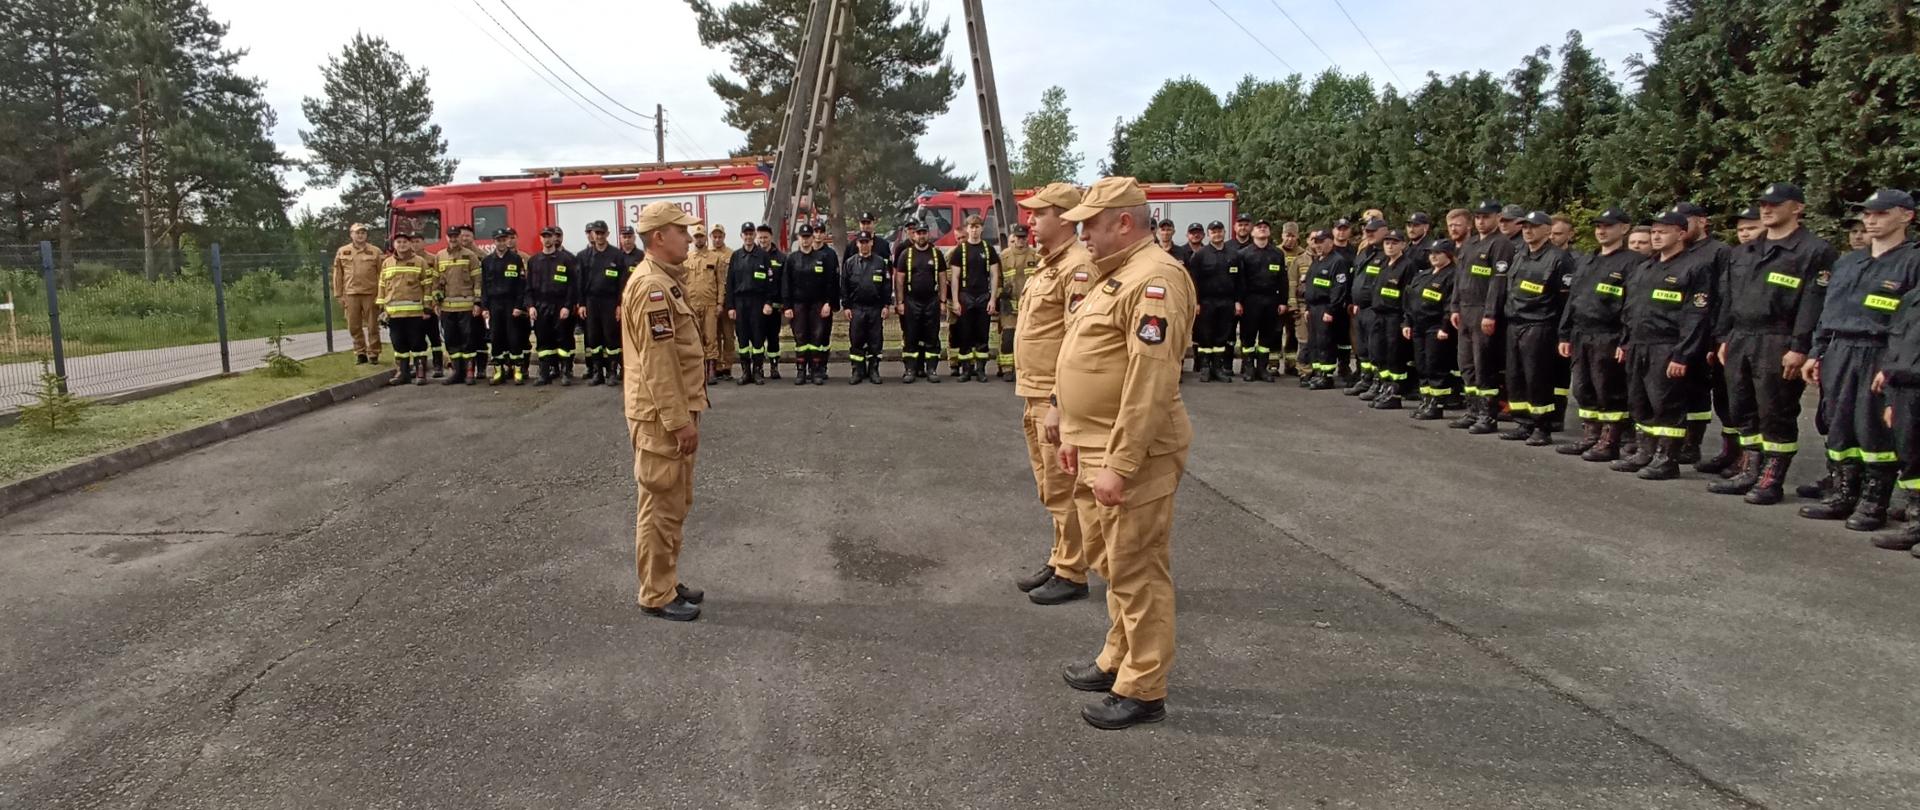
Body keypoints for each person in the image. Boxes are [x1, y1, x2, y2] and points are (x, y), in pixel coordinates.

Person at [1049, 176, 1195, 730]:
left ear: (1125, 223)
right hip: (1094, 445)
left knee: (1138, 568)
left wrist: (1119, 463)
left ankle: (1144, 687)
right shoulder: (1117, 276)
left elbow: (1149, 381)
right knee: (1114, 563)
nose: (1080, 231)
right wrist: (1070, 427)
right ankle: (1118, 657)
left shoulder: (1156, 279)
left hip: (1132, 454)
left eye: (1090, 222)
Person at [1799, 189, 1920, 531]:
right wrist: (1817, 351)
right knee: (1839, 423)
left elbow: (1913, 323)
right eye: (1866, 214)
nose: (1870, 220)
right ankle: (1842, 492)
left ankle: (1874, 503)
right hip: (1839, 349)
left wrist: (1894, 364)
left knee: (1874, 430)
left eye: (1880, 213)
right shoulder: (1849, 261)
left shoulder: (1912, 261)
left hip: (1879, 351)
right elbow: (1829, 310)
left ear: (1906, 216)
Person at [1710, 183, 1835, 503]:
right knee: (1742, 407)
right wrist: (1724, 336)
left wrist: (1799, 346)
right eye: (1763, 204)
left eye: (1775, 204)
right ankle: (1750, 468)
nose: (1766, 209)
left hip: (1778, 339)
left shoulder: (1813, 250)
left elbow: (1813, 303)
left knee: (1775, 410)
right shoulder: (1744, 251)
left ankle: (1771, 478)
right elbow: (1728, 298)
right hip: (1740, 338)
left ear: (1797, 208)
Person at [622, 201, 709, 623]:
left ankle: (667, 580)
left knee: (674, 501)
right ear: (659, 237)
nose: (690, 237)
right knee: (660, 505)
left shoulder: (665, 280)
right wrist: (678, 422)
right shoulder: (651, 287)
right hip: (661, 417)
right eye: (682, 230)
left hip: (673, 412)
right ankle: (655, 593)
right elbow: (658, 365)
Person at [1013, 182, 1096, 606]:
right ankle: (1061, 555)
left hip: (1053, 397)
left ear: (1064, 217)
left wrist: (1058, 404)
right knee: (1050, 485)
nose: (1030, 219)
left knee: (1063, 486)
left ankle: (1073, 571)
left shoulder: (1078, 267)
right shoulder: (1049, 264)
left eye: (1038, 213)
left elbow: (1076, 342)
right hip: (1035, 391)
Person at [1612, 211, 1714, 480]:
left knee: (1666, 404)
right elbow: (1630, 308)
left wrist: (1683, 354)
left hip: (1667, 346)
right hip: (1638, 344)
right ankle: (1645, 451)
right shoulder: (1645, 267)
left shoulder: (1693, 267)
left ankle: (1667, 458)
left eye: (1663, 231)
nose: (1656, 236)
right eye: (1654, 231)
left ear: (1681, 234)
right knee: (1639, 401)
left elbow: (1696, 315)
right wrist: (1625, 340)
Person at [1484, 211, 1575, 445]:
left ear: (1547, 229)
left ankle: (1542, 426)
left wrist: (1562, 332)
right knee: (1515, 376)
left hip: (1541, 324)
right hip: (1515, 322)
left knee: (1537, 377)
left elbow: (1565, 300)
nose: (1527, 231)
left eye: (1533, 227)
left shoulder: (1559, 258)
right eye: (1524, 226)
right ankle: (1523, 423)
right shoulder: (1520, 254)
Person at [1556, 208, 1638, 461]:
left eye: (1608, 226)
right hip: (1582, 333)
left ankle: (1610, 440)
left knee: (1609, 389)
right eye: (1598, 226)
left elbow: (1632, 306)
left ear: (1624, 229)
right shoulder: (1588, 260)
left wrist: (1625, 340)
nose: (1601, 231)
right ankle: (1590, 436)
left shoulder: (1632, 262)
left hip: (1609, 334)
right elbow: (1574, 300)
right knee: (1582, 388)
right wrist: (1564, 334)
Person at [1673, 201, 1738, 470]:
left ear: (1702, 221)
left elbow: (1724, 295)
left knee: (1717, 395)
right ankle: (1685, 443)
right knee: (1682, 390)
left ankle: (1726, 451)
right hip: (1680, 331)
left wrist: (1716, 337)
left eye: (1686, 219)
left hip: (1710, 332)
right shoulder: (1679, 252)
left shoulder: (1719, 251)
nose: (1681, 224)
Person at [1452, 200, 1517, 432]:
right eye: (1478, 217)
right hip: (1465, 310)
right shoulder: (1469, 245)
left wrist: (1490, 313)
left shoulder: (1501, 245)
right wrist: (1454, 307)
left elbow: (1498, 283)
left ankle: (1488, 415)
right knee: (1466, 364)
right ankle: (1472, 410)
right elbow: (1459, 279)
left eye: (1486, 217)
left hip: (1483, 311)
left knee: (1484, 365)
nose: (1481, 221)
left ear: (1497, 218)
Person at [1403, 239, 1459, 420]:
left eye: (1438, 253)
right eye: (1431, 253)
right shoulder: (1423, 275)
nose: (1433, 256)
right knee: (1422, 365)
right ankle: (1426, 400)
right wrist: (1407, 322)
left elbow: (1450, 304)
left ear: (1448, 255)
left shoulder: (1452, 275)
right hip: (1418, 325)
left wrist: (1445, 327)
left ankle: (1437, 403)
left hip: (1436, 327)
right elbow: (1410, 299)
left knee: (1436, 366)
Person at [1232, 220, 1290, 382]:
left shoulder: (1277, 254)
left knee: (1267, 336)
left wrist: (1283, 301)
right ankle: (1249, 368)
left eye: (1265, 227)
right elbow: (1239, 281)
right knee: (1248, 336)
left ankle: (1262, 368)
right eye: (1259, 227)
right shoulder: (1243, 254)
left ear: (1269, 233)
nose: (1262, 229)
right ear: (1252, 233)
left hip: (1271, 300)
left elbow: (1282, 279)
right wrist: (1238, 301)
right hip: (1250, 300)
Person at [1368, 230, 1419, 410]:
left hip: (1395, 316)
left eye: (1394, 242)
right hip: (1379, 315)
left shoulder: (1407, 266)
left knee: (1394, 355)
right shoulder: (1383, 263)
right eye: (1387, 242)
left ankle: (1395, 392)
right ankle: (1385, 387)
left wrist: (1407, 320)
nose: (1390, 245)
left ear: (1403, 245)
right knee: (1378, 353)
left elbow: (1409, 296)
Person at [947, 214, 1001, 382]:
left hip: (983, 296)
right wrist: (955, 301)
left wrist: (992, 299)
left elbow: (994, 275)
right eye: (971, 227)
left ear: (982, 228)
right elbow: (954, 278)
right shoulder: (960, 250)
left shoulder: (988, 249)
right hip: (965, 296)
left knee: (982, 334)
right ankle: (965, 370)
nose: (974, 230)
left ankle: (981, 370)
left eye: (977, 226)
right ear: (967, 229)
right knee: (965, 334)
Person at [577, 220, 631, 387]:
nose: (599, 236)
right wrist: (581, 304)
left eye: (602, 233)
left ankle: (612, 372)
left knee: (611, 337)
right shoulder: (584, 256)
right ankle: (598, 372)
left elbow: (623, 283)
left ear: (607, 234)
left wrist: (619, 305)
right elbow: (580, 282)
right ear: (593, 234)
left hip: (610, 302)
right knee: (593, 338)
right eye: (596, 233)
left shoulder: (617, 255)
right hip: (591, 302)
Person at [376, 232, 435, 386]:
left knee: (417, 344)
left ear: (410, 244)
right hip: (394, 314)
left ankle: (420, 372)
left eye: (404, 242)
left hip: (415, 312)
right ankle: (402, 373)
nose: (402, 245)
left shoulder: (419, 262)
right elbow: (382, 286)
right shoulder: (387, 263)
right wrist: (382, 309)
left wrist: (427, 308)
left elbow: (427, 285)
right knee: (398, 344)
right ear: (394, 245)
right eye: (399, 242)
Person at [893, 222, 949, 383]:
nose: (921, 235)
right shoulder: (906, 254)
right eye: (918, 233)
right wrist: (900, 302)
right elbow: (899, 280)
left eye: (924, 232)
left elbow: (943, 278)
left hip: (932, 301)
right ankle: (910, 369)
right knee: (911, 336)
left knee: (932, 336)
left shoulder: (936, 254)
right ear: (914, 235)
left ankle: (931, 369)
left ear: (928, 234)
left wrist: (943, 301)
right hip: (912, 301)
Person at [1187, 220, 1243, 382]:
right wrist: (1196, 302)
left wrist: (1237, 301)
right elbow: (1194, 282)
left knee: (1222, 335)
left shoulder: (1234, 255)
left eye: (1219, 231)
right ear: (1209, 234)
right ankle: (1205, 368)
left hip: (1226, 302)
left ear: (1224, 232)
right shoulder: (1200, 255)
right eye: (1213, 231)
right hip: (1206, 302)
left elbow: (1240, 281)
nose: (1217, 234)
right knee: (1206, 335)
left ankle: (1218, 368)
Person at [783, 224, 839, 385]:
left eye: (808, 237)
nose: (806, 240)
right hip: (798, 305)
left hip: (818, 305)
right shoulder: (792, 259)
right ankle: (801, 371)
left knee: (816, 338)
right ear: (798, 238)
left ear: (812, 238)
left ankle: (815, 370)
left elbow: (830, 283)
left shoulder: (822, 258)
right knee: (801, 339)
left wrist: (828, 303)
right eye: (803, 237)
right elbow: (786, 284)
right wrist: (787, 306)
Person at [723, 223, 777, 385]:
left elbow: (770, 281)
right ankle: (746, 372)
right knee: (743, 339)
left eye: (750, 234)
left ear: (754, 236)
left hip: (758, 302)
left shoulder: (763, 256)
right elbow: (730, 283)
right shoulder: (736, 256)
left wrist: (768, 302)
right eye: (745, 234)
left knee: (758, 337)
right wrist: (731, 306)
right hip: (740, 302)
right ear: (741, 236)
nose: (748, 237)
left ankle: (758, 371)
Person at [431, 224, 485, 386]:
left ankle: (469, 372)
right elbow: (435, 282)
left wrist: (477, 302)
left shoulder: (470, 256)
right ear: (446, 237)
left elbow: (478, 281)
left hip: (467, 306)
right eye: (451, 236)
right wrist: (435, 302)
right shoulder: (439, 256)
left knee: (468, 340)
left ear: (460, 237)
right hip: (447, 307)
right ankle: (457, 372)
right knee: (451, 340)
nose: (453, 239)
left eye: (456, 236)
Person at [526, 226, 579, 386]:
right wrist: (531, 306)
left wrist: (567, 306)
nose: (547, 239)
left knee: (564, 340)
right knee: (543, 341)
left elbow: (572, 286)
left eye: (550, 236)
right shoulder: (533, 261)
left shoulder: (566, 259)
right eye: (544, 236)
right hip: (541, 307)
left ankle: (566, 372)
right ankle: (544, 374)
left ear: (554, 238)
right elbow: (528, 287)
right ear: (541, 239)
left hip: (560, 306)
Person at [1302, 229, 1353, 390]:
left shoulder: (1337, 261)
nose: (1318, 246)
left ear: (1330, 242)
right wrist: (1308, 307)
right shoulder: (1318, 260)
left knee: (1326, 342)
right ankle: (1317, 372)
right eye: (1315, 242)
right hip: (1314, 307)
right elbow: (1310, 285)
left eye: (1321, 242)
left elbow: (1339, 288)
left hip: (1326, 307)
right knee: (1315, 342)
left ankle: (1327, 376)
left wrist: (1331, 310)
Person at [841, 230, 892, 384]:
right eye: (861, 242)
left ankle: (874, 370)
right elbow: (844, 287)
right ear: (857, 244)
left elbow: (886, 286)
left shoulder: (880, 263)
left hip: (875, 308)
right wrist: (846, 306)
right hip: (857, 308)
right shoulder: (850, 263)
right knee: (856, 340)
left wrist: (886, 305)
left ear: (871, 243)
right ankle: (857, 370)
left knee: (875, 341)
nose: (864, 245)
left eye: (866, 242)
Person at [480, 228, 530, 385]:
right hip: (495, 304)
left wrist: (518, 306)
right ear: (493, 241)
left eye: (503, 240)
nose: (501, 243)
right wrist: (485, 307)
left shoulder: (515, 259)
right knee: (496, 338)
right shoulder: (487, 261)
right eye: (498, 240)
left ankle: (517, 371)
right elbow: (484, 286)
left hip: (511, 304)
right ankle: (498, 372)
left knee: (514, 337)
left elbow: (521, 285)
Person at [1347, 218, 1389, 398]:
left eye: (1373, 231)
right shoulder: (1364, 252)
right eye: (1367, 231)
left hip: (1376, 309)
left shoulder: (1386, 254)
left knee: (1376, 349)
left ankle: (1378, 383)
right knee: (1362, 349)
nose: (1369, 234)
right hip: (1360, 308)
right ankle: (1365, 379)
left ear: (1384, 231)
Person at [333, 223, 385, 364]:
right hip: (351, 294)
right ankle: (360, 352)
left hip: (371, 293)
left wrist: (382, 294)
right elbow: (338, 275)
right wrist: (339, 294)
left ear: (366, 235)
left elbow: (383, 274)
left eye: (363, 232)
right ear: (351, 234)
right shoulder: (343, 251)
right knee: (353, 325)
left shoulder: (375, 251)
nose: (360, 235)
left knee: (373, 325)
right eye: (357, 232)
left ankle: (374, 353)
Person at [681, 225, 724, 384]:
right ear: (693, 238)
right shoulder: (686, 258)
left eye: (701, 236)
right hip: (692, 304)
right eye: (696, 236)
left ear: (706, 238)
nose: (699, 239)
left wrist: (720, 303)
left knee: (711, 337)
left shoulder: (714, 258)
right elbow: (681, 282)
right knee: (694, 338)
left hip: (710, 304)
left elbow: (721, 282)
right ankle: (698, 370)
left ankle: (712, 369)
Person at [997, 225, 1040, 381]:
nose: (1020, 240)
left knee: (1029, 338)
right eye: (1018, 237)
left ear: (1027, 237)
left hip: (1030, 305)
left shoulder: (1036, 256)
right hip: (1009, 306)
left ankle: (1027, 368)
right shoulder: (1004, 256)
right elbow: (997, 279)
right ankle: (1007, 369)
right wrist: (998, 296)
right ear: (1013, 237)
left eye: (1023, 237)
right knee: (1008, 337)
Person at [707, 225, 738, 382]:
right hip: (711, 301)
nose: (717, 239)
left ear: (724, 236)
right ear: (711, 237)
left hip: (728, 300)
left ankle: (727, 366)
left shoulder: (732, 254)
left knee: (728, 336)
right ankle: (717, 366)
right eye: (715, 236)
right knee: (714, 335)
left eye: (720, 236)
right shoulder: (707, 255)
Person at [1280, 222, 1310, 376]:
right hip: (1279, 300)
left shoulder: (1303, 254)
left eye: (1293, 236)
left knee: (1293, 334)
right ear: (1282, 235)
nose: (1290, 239)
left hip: (1296, 301)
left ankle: (1290, 364)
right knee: (1276, 332)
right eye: (1287, 235)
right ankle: (1272, 365)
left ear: (1298, 236)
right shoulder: (1276, 252)